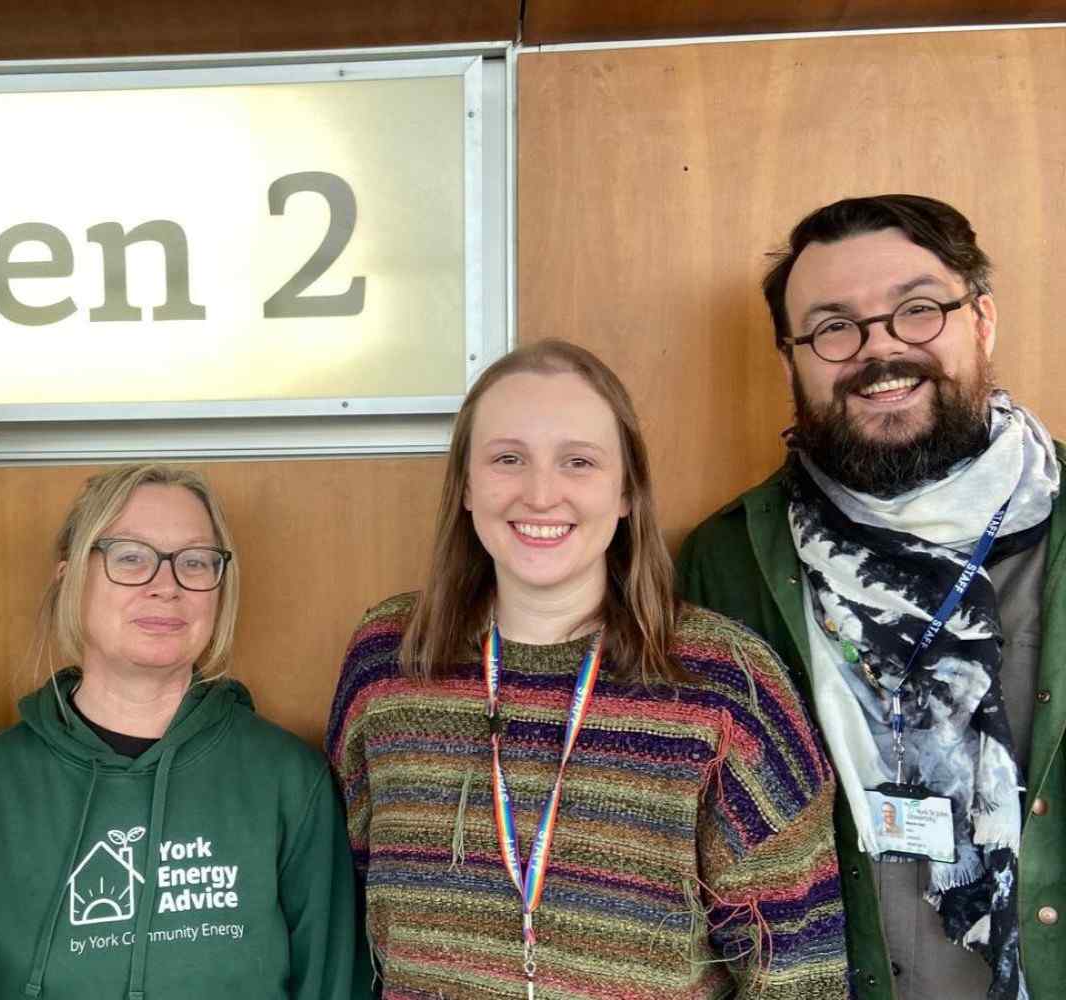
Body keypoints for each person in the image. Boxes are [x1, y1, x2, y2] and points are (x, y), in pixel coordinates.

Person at [327, 339, 847, 999]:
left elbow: (798, 969)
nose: (541, 494)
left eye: (578, 462)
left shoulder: (723, 685)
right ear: (464, 485)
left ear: (627, 491)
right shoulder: (387, 662)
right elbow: (355, 890)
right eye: (508, 459)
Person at [678, 194, 1064, 1000]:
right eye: (833, 327)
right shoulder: (729, 559)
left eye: (917, 310)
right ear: (791, 360)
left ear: (982, 321)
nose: (880, 351)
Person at [0, 463, 358, 999]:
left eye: (195, 562)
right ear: (71, 579)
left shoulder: (289, 781)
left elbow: (333, 984)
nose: (166, 587)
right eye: (130, 557)